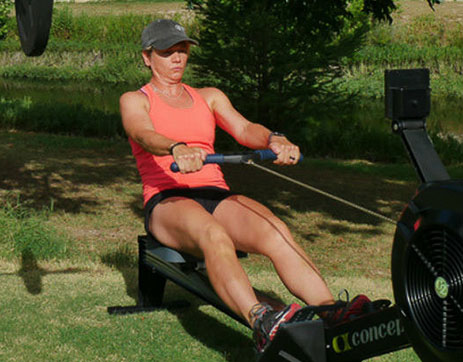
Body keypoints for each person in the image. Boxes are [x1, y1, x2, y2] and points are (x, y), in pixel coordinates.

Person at [119, 19, 371, 352]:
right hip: (167, 199)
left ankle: (330, 312)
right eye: (168, 52)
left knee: (274, 228)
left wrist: (273, 139)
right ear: (147, 57)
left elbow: (244, 129)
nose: (178, 58)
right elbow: (142, 133)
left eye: (182, 50)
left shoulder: (208, 97)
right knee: (214, 236)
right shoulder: (136, 100)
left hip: (215, 194)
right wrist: (176, 147)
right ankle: (261, 321)